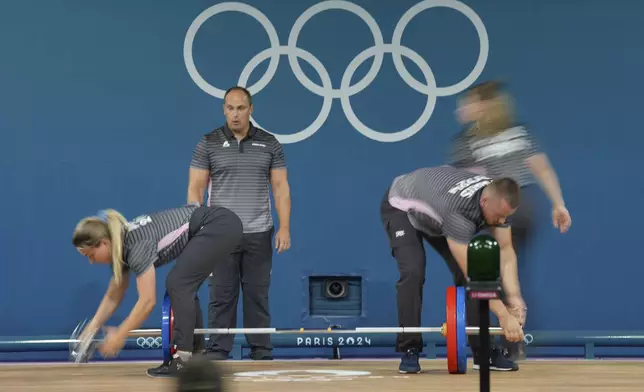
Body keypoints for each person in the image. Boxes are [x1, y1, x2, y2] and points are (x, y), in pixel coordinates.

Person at [449, 80, 572, 360]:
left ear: (484, 106)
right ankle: (510, 342)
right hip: (521, 206)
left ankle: (506, 344)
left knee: (493, 274)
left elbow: (467, 185)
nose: (462, 108)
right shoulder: (519, 133)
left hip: (502, 208)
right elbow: (542, 168)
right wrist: (558, 204)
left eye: (467, 102)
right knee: (507, 273)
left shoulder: (468, 142)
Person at [380, 165, 526, 374]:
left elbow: (505, 250)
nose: (501, 222)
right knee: (413, 271)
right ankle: (409, 347)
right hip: (402, 205)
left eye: (506, 217)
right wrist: (503, 315)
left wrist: (514, 298)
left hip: (436, 210)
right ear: (484, 202)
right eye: (498, 217)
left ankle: (483, 352)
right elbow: (474, 277)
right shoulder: (458, 213)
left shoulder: (498, 198)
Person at [72, 204, 242, 377]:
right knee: (181, 286)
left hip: (218, 224)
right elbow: (113, 295)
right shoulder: (122, 246)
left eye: (90, 255)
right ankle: (196, 356)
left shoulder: (135, 245)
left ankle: (183, 359)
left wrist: (120, 335)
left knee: (178, 284)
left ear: (104, 243)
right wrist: (92, 327)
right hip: (219, 224)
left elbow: (147, 302)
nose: (91, 262)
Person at [187, 86, 291, 361]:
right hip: (219, 235)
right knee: (221, 295)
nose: (235, 114)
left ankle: (261, 349)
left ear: (251, 110)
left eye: (241, 108)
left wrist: (284, 227)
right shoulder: (208, 142)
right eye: (230, 108)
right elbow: (195, 189)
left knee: (257, 295)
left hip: (259, 232)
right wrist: (196, 228)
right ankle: (218, 349)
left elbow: (280, 188)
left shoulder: (270, 143)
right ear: (224, 110)